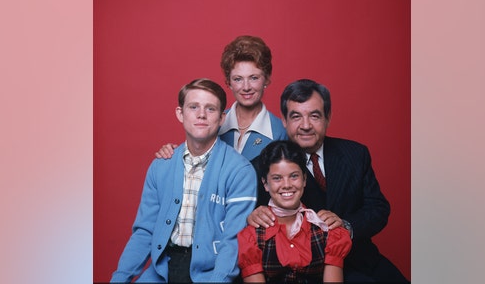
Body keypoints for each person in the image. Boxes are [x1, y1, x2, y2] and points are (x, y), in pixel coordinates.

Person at [247, 79, 409, 283]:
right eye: (296, 116)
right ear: (284, 121)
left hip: (359, 258)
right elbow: (243, 225)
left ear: (328, 117)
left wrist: (347, 227)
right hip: (303, 272)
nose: (305, 126)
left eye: (314, 116)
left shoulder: (355, 155)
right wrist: (252, 215)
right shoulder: (262, 165)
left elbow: (378, 208)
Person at [110, 78, 258, 283]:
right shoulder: (161, 166)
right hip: (162, 268)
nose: (201, 114)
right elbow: (145, 231)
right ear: (180, 114)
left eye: (211, 109)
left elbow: (232, 241)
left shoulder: (240, 171)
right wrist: (120, 279)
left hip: (211, 273)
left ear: (222, 118)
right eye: (193, 107)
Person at [156, 35, 287, 160]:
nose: (246, 87)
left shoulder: (281, 132)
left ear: (266, 79)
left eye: (254, 78)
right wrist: (172, 153)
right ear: (228, 82)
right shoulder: (211, 120)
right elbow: (193, 158)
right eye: (238, 79)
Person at [237, 140, 352, 283]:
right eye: (277, 178)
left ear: (304, 179)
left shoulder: (328, 231)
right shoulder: (251, 237)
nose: (287, 185)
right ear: (265, 184)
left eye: (294, 176)